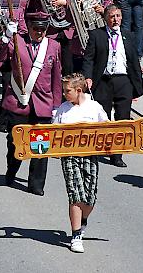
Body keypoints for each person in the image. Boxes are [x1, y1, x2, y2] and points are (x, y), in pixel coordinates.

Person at [0, 11, 62, 196]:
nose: (40, 33)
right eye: (36, 29)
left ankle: (36, 184)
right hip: (19, 102)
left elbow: (56, 77)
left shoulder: (54, 46)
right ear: (28, 26)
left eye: (43, 29)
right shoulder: (17, 41)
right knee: (15, 144)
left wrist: (57, 106)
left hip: (43, 104)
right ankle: (11, 171)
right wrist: (5, 38)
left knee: (40, 147)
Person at [82, 3, 143, 168]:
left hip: (123, 81)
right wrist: (88, 77)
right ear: (106, 19)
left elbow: (133, 60)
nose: (115, 19)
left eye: (118, 16)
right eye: (112, 16)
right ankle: (99, 148)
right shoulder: (97, 35)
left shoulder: (128, 35)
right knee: (103, 117)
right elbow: (89, 59)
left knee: (123, 118)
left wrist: (136, 82)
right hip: (104, 81)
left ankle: (117, 154)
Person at [53, 73, 109, 253]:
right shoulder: (63, 109)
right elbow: (53, 132)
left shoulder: (95, 107)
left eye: (67, 91)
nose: (64, 94)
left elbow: (109, 128)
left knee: (90, 196)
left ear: (79, 90)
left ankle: (83, 220)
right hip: (69, 156)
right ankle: (76, 235)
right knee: (75, 194)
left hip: (90, 156)